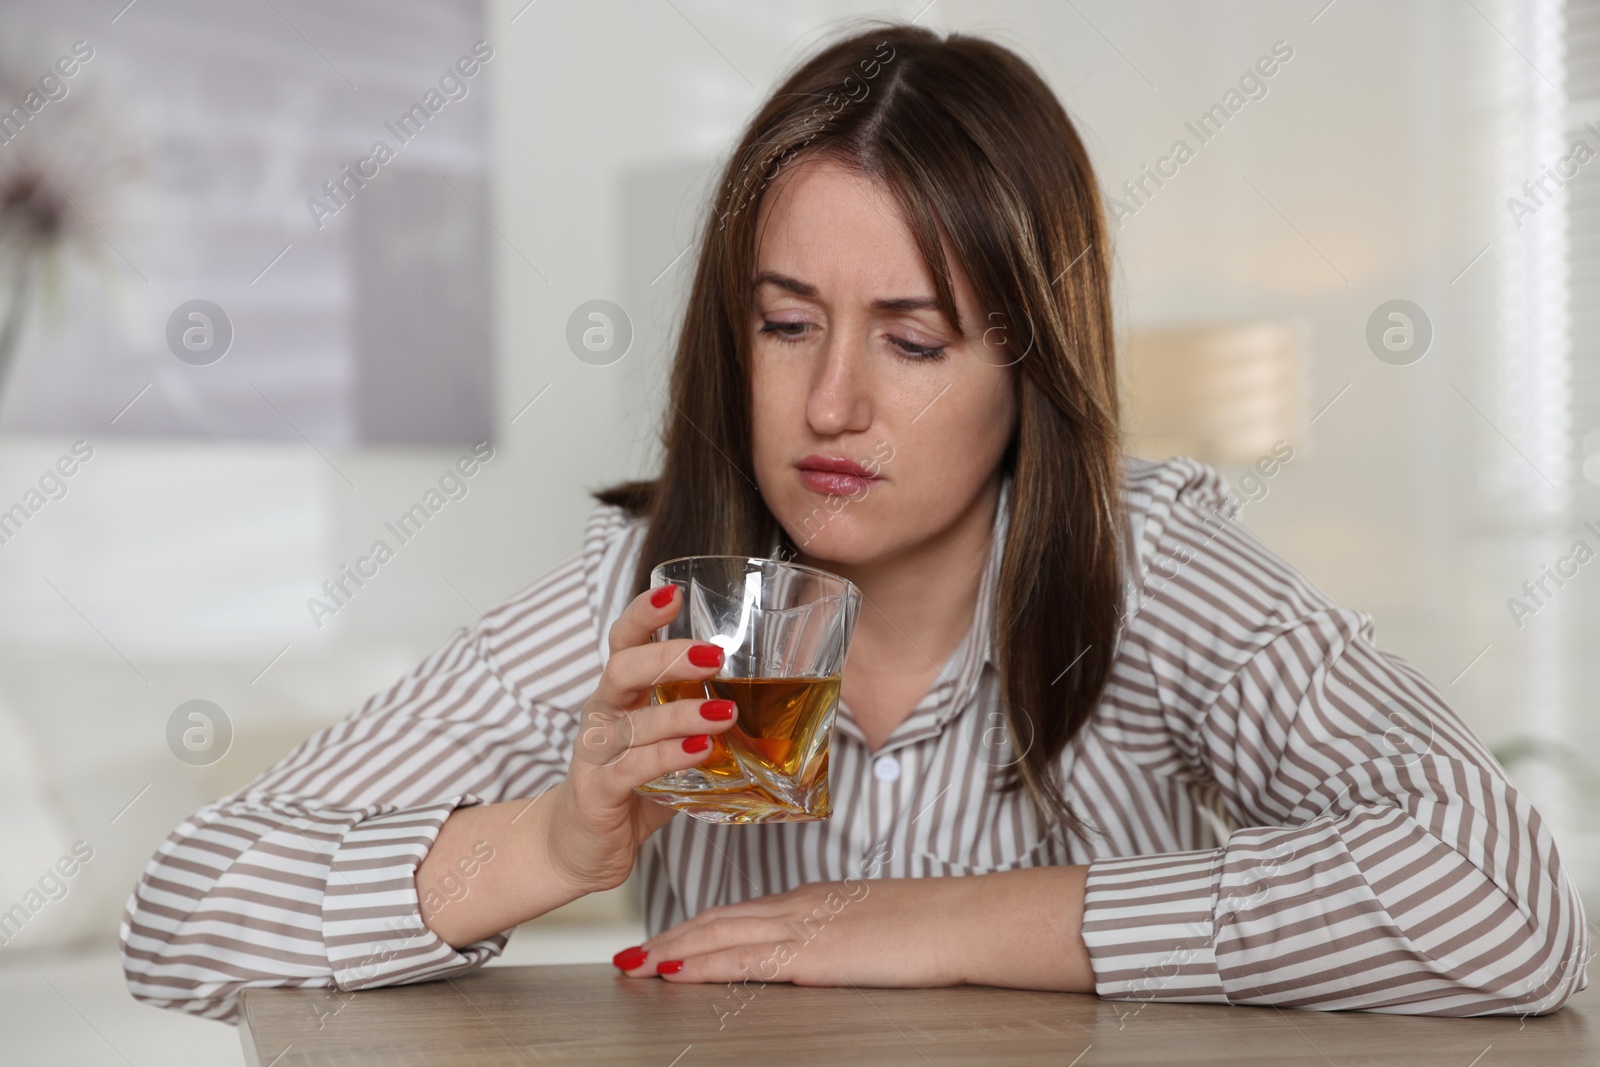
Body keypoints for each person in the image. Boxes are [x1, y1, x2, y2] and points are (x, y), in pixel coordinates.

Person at [121, 20, 1589, 1024]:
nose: (829, 406)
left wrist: (943, 925)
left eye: (914, 338)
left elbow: (1505, 897)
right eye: (784, 325)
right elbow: (178, 914)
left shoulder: (1152, 574)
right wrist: (556, 840)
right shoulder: (648, 603)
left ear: (1031, 365)